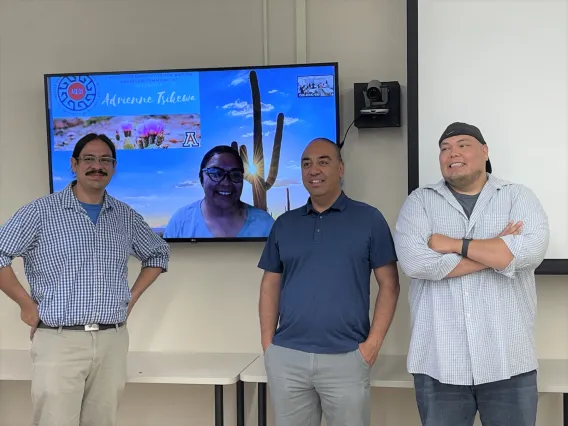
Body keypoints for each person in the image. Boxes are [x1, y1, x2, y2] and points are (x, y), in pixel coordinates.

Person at [0, 133, 170, 426]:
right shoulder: (41, 211)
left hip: (112, 340)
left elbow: (157, 254)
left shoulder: (125, 216)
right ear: (74, 164)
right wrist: (25, 304)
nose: (97, 166)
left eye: (105, 160)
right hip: (59, 339)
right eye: (89, 159)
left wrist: (131, 298)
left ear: (114, 167)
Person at [394, 122, 550, 426]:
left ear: (484, 151)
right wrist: (497, 252)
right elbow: (416, 263)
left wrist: (452, 245)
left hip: (509, 361)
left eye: (463, 144)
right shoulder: (419, 202)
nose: (453, 153)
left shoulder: (518, 197)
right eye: (444, 148)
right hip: (439, 364)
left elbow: (529, 251)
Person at [257, 137, 400, 426]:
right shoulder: (284, 224)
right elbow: (270, 284)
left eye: (323, 162)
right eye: (306, 164)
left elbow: (390, 285)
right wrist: (268, 345)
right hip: (288, 358)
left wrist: (372, 344)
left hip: (347, 357)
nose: (314, 170)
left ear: (341, 169)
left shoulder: (369, 219)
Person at [163, 145, 275, 238]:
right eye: (216, 173)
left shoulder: (265, 225)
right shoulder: (180, 223)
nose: (226, 183)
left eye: (235, 174)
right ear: (201, 178)